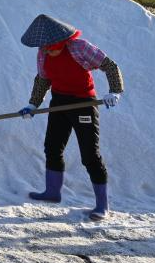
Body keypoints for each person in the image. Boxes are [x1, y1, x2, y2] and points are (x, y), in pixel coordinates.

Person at [17, 14, 124, 221]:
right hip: (59, 103)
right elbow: (42, 79)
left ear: (61, 41)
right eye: (44, 48)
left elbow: (110, 66)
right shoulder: (43, 53)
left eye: (50, 47)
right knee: (52, 147)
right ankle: (52, 192)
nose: (47, 51)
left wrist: (115, 91)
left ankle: (102, 205)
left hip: (83, 103)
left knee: (90, 155)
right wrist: (33, 104)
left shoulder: (79, 48)